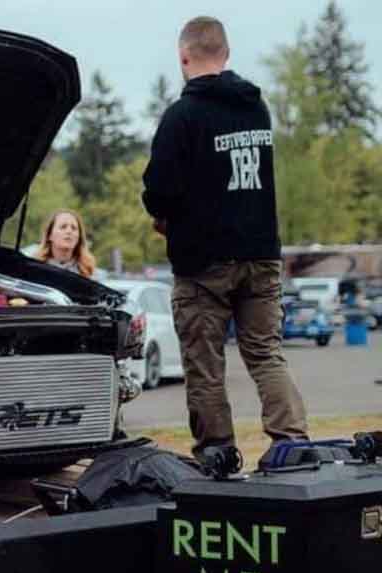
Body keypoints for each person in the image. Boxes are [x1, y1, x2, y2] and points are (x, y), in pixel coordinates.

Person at [142, 16, 308, 460]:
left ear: (183, 57)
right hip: (260, 254)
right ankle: (293, 442)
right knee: (265, 353)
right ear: (227, 54)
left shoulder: (183, 116)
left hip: (204, 264)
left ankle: (218, 452)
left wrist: (167, 219)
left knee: (205, 364)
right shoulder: (257, 108)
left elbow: (158, 190)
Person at [24, 209, 96, 278]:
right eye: (63, 227)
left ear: (79, 237)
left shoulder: (87, 271)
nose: (69, 231)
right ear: (50, 235)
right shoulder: (34, 265)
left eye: (74, 228)